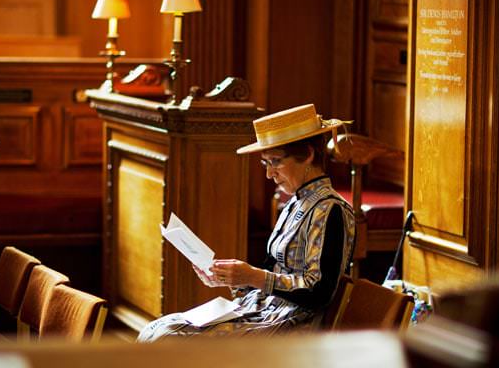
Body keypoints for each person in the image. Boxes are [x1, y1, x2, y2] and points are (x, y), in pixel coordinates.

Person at [137, 104, 356, 342]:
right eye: (265, 164)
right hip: (263, 310)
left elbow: (320, 292)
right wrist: (233, 279)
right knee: (155, 329)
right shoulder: (295, 203)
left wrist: (252, 276)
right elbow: (272, 274)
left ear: (308, 155)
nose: (269, 174)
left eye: (275, 161)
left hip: (294, 326)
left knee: (166, 339)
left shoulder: (331, 209)